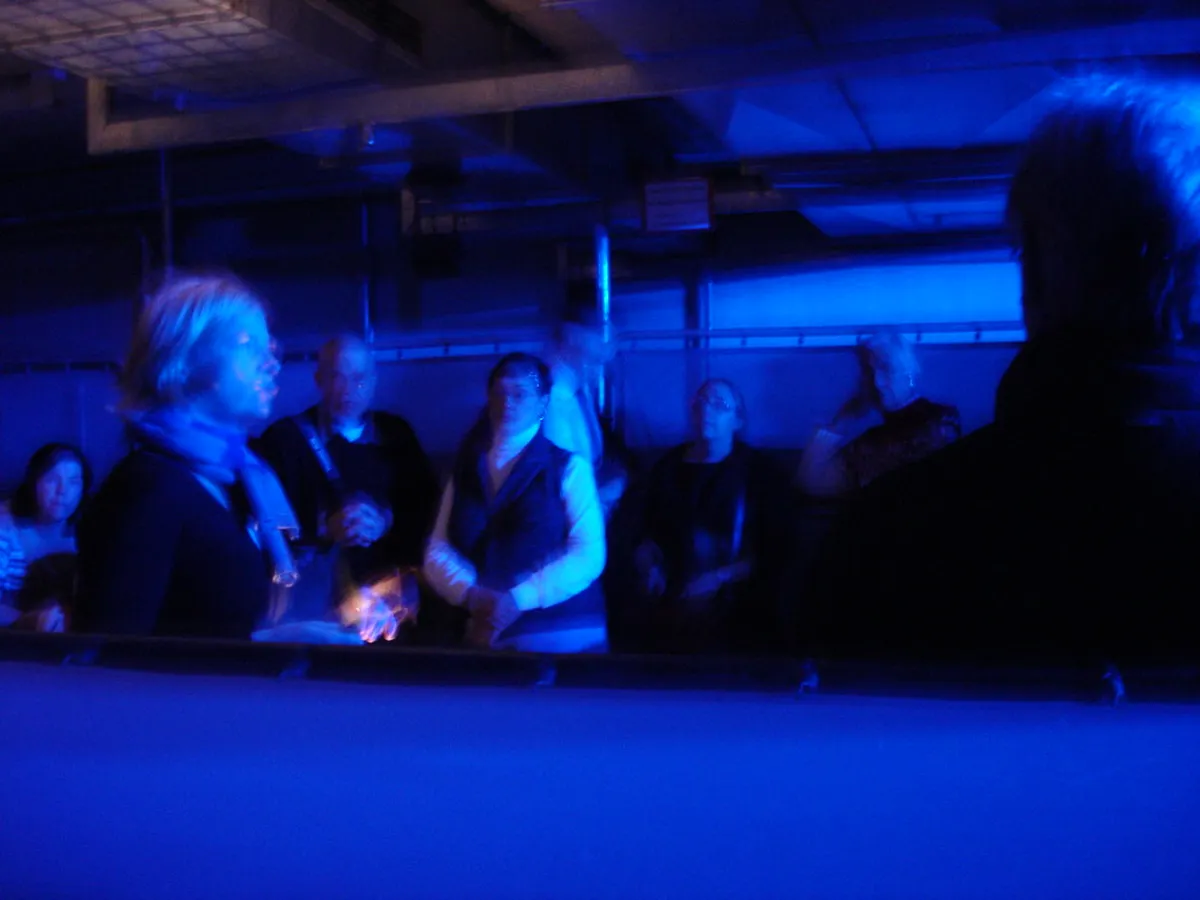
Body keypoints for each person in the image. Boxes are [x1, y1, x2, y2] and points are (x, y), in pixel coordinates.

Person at [803, 77, 1200, 667]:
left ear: (1033, 273)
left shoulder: (893, 531)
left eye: (882, 365)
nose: (875, 377)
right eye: (869, 367)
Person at [73, 273, 317, 639]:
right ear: (184, 360)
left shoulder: (236, 480)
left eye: (270, 349)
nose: (272, 364)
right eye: (249, 346)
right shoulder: (147, 489)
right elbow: (111, 658)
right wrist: (269, 646)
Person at [423, 352, 606, 653]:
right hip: (486, 639)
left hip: (565, 636)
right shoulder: (465, 469)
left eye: (520, 394)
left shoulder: (570, 468)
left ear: (543, 403)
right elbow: (437, 549)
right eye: (500, 393)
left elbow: (589, 554)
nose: (507, 403)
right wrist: (471, 594)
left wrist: (520, 599)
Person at [255, 334, 437, 630]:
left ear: (374, 382)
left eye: (359, 379)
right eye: (336, 377)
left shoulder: (397, 436)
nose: (348, 390)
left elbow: (426, 511)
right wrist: (324, 526)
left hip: (387, 604)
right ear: (319, 380)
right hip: (314, 609)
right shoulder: (284, 440)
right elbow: (263, 526)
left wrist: (384, 521)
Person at [633, 379, 792, 655]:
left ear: (738, 420)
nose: (707, 410)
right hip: (671, 602)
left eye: (719, 404)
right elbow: (645, 529)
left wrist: (718, 578)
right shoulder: (667, 467)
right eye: (701, 402)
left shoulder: (758, 472)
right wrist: (648, 563)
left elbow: (777, 549)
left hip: (737, 609)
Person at [797, 332, 960, 498]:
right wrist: (845, 417)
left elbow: (813, 481)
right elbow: (813, 482)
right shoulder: (941, 419)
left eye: (886, 368)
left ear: (908, 371)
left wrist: (843, 419)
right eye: (869, 373)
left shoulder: (938, 423)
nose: (877, 382)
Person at [543, 305, 628, 518]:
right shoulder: (549, 403)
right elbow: (559, 485)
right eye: (594, 359)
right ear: (572, 338)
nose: (600, 367)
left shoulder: (580, 396)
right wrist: (603, 497)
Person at [0, 443, 91, 632]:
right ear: (34, 483)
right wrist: (29, 621)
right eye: (52, 479)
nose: (62, 490)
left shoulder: (93, 529)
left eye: (74, 482)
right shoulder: (5, 529)